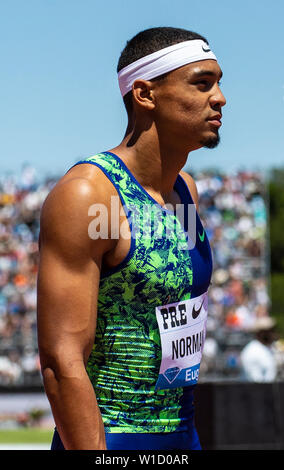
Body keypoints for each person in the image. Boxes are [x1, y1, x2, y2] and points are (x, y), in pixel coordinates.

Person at [37, 26, 226, 450]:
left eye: (218, 83)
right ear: (145, 94)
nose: (220, 98)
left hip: (184, 434)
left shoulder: (184, 191)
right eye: (201, 83)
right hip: (113, 439)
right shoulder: (88, 194)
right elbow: (60, 361)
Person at [240, 317, 278, 383]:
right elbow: (257, 383)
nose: (273, 333)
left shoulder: (265, 348)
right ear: (262, 333)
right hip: (257, 391)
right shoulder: (252, 351)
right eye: (271, 330)